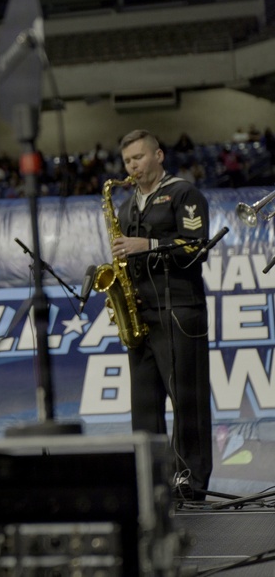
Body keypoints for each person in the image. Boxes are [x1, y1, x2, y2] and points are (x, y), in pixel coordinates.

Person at [112, 129, 212, 500]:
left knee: (187, 401)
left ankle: (192, 483)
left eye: (138, 157)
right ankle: (152, 481)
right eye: (127, 161)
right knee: (144, 406)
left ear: (158, 155)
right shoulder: (126, 206)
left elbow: (197, 247)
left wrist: (149, 244)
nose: (132, 166)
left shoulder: (183, 193)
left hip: (180, 310)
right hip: (141, 315)